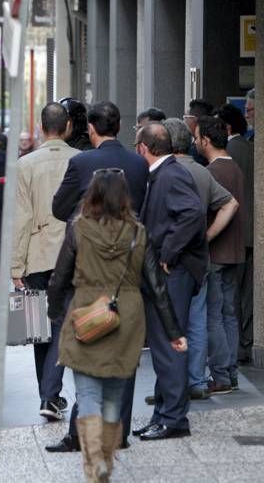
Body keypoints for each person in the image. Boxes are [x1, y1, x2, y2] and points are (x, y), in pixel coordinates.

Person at [48, 169, 185, 482]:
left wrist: (55, 309)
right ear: (125, 197)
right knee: (113, 396)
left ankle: (93, 460)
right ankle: (106, 459)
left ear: (92, 194)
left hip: (86, 313)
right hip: (126, 319)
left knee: (87, 394)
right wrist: (174, 332)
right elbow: (157, 286)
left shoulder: (78, 228)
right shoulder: (138, 233)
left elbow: (59, 277)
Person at [47, 101, 148, 454]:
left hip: (91, 274)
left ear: (90, 129)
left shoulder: (81, 162)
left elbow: (59, 208)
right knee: (123, 359)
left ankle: (83, 437)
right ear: (119, 127)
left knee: (88, 359)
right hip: (129, 269)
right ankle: (118, 432)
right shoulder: (139, 163)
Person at [132, 123, 207, 441]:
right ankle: (163, 414)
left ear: (142, 149)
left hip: (173, 272)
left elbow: (192, 213)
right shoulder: (165, 173)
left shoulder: (171, 174)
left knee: (169, 343)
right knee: (165, 344)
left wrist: (168, 253)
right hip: (169, 271)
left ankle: (174, 418)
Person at [11, 102, 79, 422]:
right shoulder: (80, 160)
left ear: (41, 127)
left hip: (36, 255)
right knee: (62, 323)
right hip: (72, 252)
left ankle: (48, 394)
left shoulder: (24, 165)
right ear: (67, 127)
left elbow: (20, 219)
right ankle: (49, 395)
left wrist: (15, 267)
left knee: (39, 328)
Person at [161, 118, 237, 401]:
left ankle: (171, 384)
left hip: (171, 259)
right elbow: (230, 203)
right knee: (198, 321)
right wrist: (207, 236)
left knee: (169, 322)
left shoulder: (163, 172)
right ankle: (196, 380)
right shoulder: (203, 173)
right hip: (199, 259)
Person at [196, 116, 246, 393]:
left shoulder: (211, 172)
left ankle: (222, 376)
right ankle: (232, 372)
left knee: (213, 316)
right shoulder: (236, 168)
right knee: (230, 314)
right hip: (236, 252)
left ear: (205, 140)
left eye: (197, 137)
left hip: (215, 253)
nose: (195, 142)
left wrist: (206, 236)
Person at [216, 103, 255, 364]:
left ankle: (237, 350)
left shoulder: (228, 154)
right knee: (248, 295)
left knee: (231, 299)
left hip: (234, 233)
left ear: (226, 127)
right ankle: (248, 342)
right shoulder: (251, 148)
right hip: (253, 231)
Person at [183, 99, 213, 166]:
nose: (184, 121)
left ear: (195, 119)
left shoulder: (199, 147)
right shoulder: (209, 140)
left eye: (185, 117)